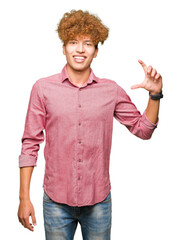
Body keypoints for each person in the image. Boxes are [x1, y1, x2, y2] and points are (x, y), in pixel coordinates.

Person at [17, 9, 163, 240]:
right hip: (55, 201)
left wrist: (155, 96)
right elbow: (30, 144)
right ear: (63, 47)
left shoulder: (110, 90)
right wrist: (24, 198)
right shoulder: (42, 89)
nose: (80, 49)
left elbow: (143, 130)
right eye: (73, 42)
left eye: (88, 43)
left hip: (98, 202)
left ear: (96, 52)